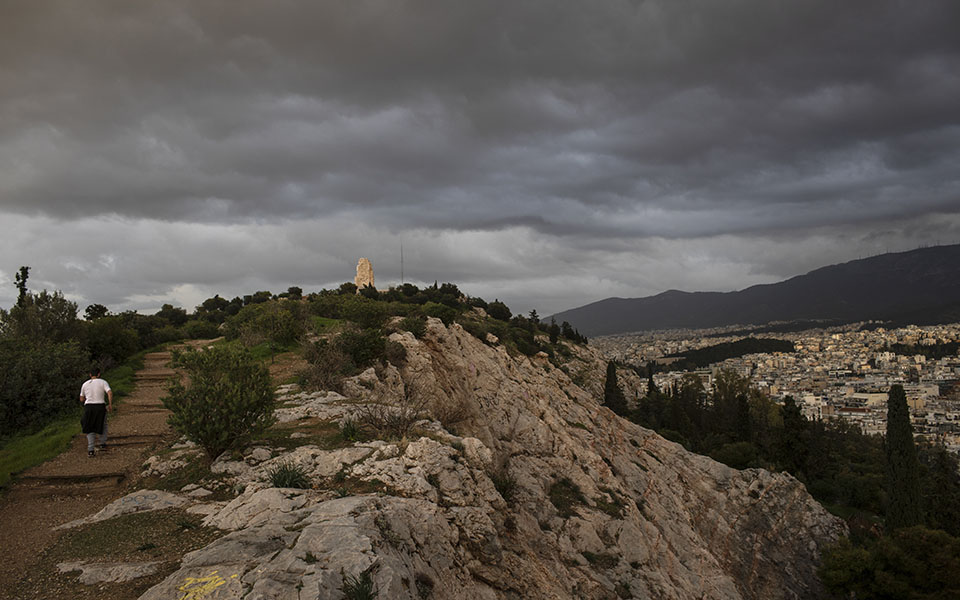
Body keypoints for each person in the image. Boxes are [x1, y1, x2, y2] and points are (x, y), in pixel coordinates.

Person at [80, 367, 113, 457]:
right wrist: (110, 404)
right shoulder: (103, 382)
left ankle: (90, 449)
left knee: (89, 426)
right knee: (102, 424)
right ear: (99, 374)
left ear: (90, 375)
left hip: (89, 406)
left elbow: (81, 398)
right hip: (100, 406)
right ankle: (102, 443)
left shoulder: (85, 384)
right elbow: (109, 392)